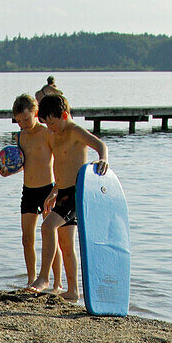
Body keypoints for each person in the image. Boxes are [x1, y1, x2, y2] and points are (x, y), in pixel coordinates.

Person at [29, 93, 108, 301]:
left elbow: (100, 145)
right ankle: (73, 290)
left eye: (53, 124)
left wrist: (103, 159)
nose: (51, 129)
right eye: (47, 125)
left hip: (76, 193)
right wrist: (54, 191)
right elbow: (61, 166)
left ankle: (44, 277)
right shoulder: (54, 135)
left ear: (64, 115)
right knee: (65, 244)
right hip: (62, 192)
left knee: (47, 226)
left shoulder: (75, 131)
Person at [12, 93, 63, 291]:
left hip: (47, 190)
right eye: (18, 121)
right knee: (27, 238)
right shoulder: (21, 136)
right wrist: (7, 170)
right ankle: (32, 279)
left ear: (35, 112)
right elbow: (22, 164)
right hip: (28, 191)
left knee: (51, 237)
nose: (23, 124)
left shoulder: (47, 133)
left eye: (26, 119)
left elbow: (59, 162)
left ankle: (56, 282)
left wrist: (57, 189)